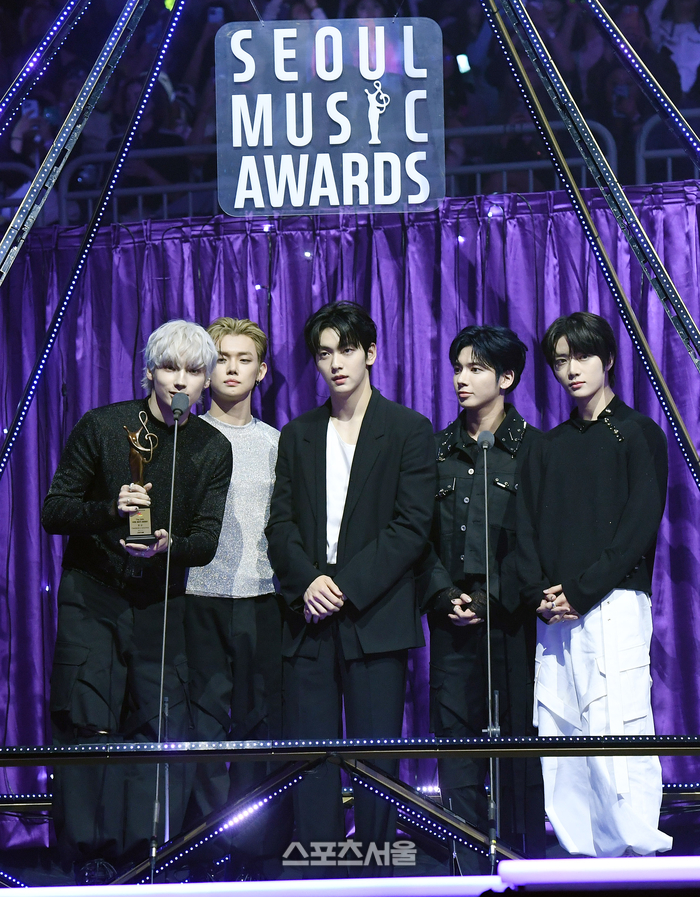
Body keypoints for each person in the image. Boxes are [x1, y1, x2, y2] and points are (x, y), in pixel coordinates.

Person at [42, 320, 233, 879]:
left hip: (160, 601)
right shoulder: (104, 425)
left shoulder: (212, 447)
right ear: (149, 371)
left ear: (205, 382)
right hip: (94, 595)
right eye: (169, 367)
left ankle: (147, 854)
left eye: (193, 370)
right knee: (88, 719)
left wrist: (170, 546)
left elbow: (206, 539)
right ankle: (86, 857)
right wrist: (110, 509)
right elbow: (54, 510)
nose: (180, 380)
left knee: (156, 722)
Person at [265, 301, 435, 877]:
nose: (336, 363)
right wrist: (309, 582)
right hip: (308, 614)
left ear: (371, 353)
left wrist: (341, 585)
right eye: (324, 353)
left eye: (346, 350)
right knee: (311, 756)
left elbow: (411, 527)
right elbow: (279, 525)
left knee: (375, 755)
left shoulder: (408, 429)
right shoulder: (298, 434)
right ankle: (318, 871)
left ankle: (376, 871)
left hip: (375, 612)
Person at [517, 311, 673, 858]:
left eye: (581, 357)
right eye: (560, 361)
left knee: (618, 719)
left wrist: (581, 592)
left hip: (613, 601)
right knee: (559, 723)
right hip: (555, 609)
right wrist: (541, 593)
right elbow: (524, 527)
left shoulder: (639, 433)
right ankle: (580, 853)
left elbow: (638, 529)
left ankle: (635, 850)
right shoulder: (547, 445)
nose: (571, 370)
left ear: (607, 359)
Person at [419, 325, 544, 871]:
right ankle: (466, 866)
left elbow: (538, 541)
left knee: (519, 743)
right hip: (450, 621)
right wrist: (444, 593)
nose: (461, 379)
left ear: (507, 377)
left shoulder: (535, 448)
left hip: (513, 622)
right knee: (456, 744)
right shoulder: (433, 450)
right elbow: (416, 535)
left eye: (475, 369)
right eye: (457, 368)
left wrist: (493, 595)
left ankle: (523, 863)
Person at [184, 317, 286, 875]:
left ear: (261, 371)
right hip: (195, 594)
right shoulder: (183, 438)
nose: (231, 368)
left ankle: (253, 844)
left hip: (260, 596)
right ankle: (203, 843)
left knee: (255, 722)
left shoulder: (276, 444)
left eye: (243, 358)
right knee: (201, 724)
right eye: (221, 357)